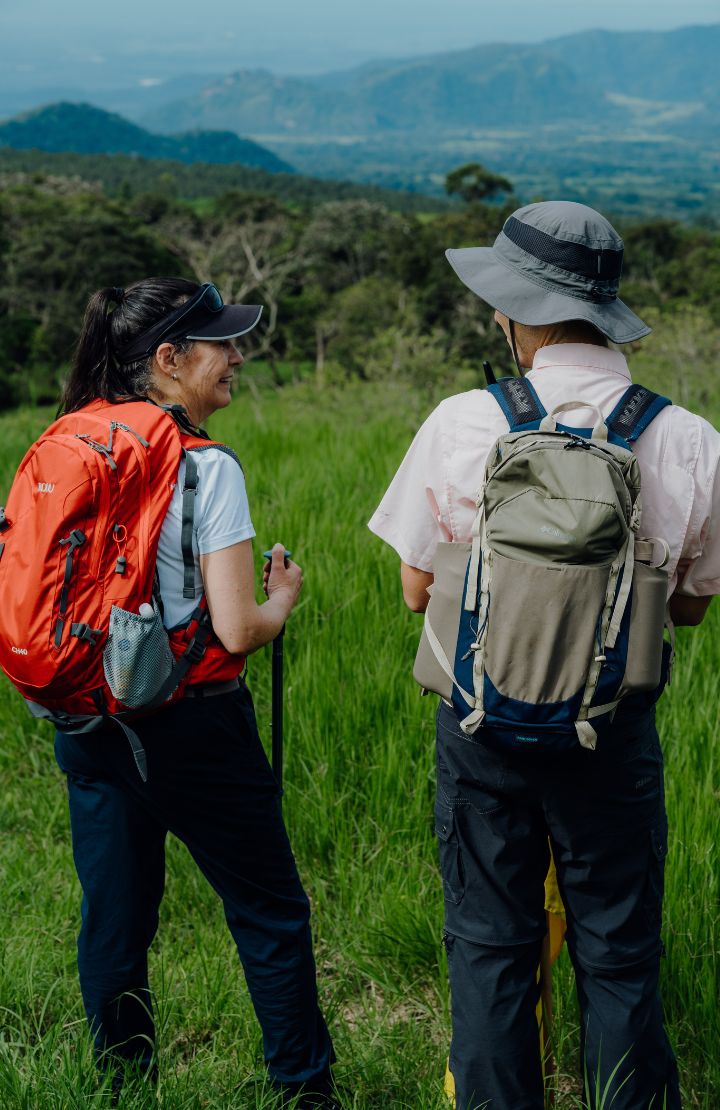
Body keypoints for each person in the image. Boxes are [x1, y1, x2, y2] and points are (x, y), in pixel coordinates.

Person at [368, 202, 720, 1109]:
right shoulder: (687, 437)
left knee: (490, 944)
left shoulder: (461, 421)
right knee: (619, 951)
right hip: (612, 732)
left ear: (517, 313)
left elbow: (415, 590)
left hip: (481, 726)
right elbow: (688, 609)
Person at [53, 278, 335, 1107]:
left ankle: (122, 1085)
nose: (237, 356)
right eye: (222, 344)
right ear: (170, 360)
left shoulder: (68, 439)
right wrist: (283, 599)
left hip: (88, 716)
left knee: (115, 915)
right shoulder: (205, 465)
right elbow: (238, 629)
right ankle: (304, 1092)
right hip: (192, 722)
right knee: (268, 911)